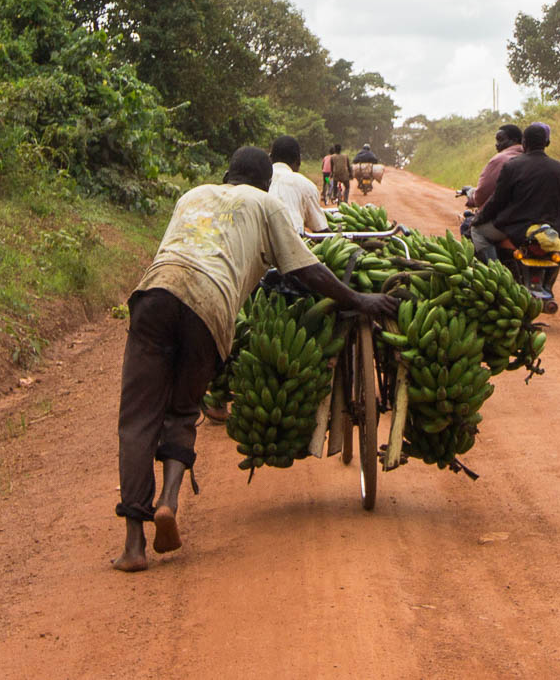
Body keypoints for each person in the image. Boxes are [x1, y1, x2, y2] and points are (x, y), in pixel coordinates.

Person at [112, 146, 397, 573]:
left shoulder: (191, 195)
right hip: (209, 307)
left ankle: (134, 546)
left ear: (226, 174)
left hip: (157, 292)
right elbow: (306, 269)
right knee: (183, 411)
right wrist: (358, 298)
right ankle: (169, 502)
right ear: (267, 182)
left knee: (137, 420)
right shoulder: (266, 203)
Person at [470, 122, 560, 263]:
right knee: (557, 252)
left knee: (477, 231)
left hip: (516, 228)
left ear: (524, 143)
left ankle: (493, 270)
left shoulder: (512, 166)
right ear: (547, 143)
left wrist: (479, 219)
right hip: (551, 228)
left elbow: (497, 200)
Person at [267, 135, 328, 235]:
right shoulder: (305, 184)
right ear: (299, 160)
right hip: (291, 245)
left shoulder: (259, 179)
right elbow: (320, 228)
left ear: (270, 158)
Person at [464, 124, 523, 210]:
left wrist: (472, 196)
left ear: (514, 140)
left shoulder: (500, 159)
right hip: (529, 214)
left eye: (501, 140)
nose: (497, 144)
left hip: (502, 216)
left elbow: (482, 194)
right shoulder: (530, 157)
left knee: (471, 222)